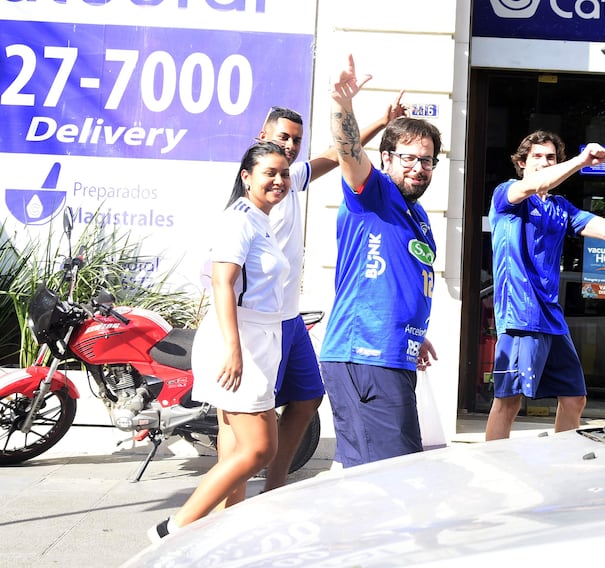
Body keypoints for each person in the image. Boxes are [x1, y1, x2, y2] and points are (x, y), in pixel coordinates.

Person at [255, 100, 407, 490]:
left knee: (308, 399)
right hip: (257, 321)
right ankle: (231, 497)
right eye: (282, 137)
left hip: (289, 319)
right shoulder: (252, 191)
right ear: (263, 136)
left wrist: (380, 120)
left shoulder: (290, 179)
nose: (290, 145)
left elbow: (335, 153)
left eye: (295, 140)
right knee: (249, 414)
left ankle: (273, 487)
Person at [149, 141, 290, 541]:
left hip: (257, 338)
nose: (279, 180)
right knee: (260, 449)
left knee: (234, 447)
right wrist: (234, 349)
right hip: (240, 339)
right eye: (269, 173)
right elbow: (221, 283)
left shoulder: (259, 218)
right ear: (246, 177)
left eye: (283, 174)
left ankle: (227, 532)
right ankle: (174, 528)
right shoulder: (239, 220)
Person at [485, 130, 605, 440]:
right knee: (508, 402)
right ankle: (494, 474)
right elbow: (538, 184)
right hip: (520, 316)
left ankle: (561, 465)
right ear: (522, 163)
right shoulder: (507, 194)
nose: (545, 162)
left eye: (551, 158)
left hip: (552, 319)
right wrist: (582, 160)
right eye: (537, 156)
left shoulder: (561, 207)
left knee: (574, 398)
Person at [319, 54, 441, 468]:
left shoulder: (417, 215)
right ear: (386, 160)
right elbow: (349, 152)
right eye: (407, 157)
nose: (418, 167)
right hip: (365, 357)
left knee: (367, 475)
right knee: (392, 480)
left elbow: (399, 278)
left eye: (426, 160)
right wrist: (343, 104)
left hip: (394, 355)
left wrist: (413, 332)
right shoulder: (373, 194)